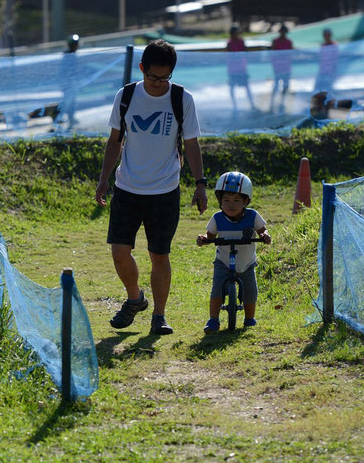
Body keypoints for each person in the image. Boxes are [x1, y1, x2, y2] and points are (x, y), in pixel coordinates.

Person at [95, 39, 208, 335]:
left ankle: (159, 315)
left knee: (159, 255)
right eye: (153, 76)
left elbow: (193, 144)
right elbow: (115, 140)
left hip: (165, 191)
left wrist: (200, 183)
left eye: (164, 78)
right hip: (127, 188)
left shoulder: (182, 99)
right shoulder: (127, 96)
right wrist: (104, 177)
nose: (158, 83)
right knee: (119, 252)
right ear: (142, 69)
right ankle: (135, 298)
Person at [196, 172, 271, 332]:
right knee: (217, 289)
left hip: (246, 262)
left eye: (237, 200)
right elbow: (210, 236)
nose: (231, 204)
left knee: (251, 291)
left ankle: (250, 318)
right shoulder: (217, 218)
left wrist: (265, 236)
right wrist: (203, 239)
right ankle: (213, 320)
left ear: (246, 201)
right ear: (220, 201)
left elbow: (262, 231)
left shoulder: (252, 216)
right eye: (226, 200)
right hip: (223, 261)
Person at [226, 26, 256, 111]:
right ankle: (234, 105)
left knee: (247, 87)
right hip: (233, 69)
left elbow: (246, 52)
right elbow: (228, 55)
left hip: (242, 69)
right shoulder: (229, 43)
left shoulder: (241, 41)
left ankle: (252, 104)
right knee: (232, 88)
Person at [269, 25, 293, 113]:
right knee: (276, 85)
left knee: (285, 86)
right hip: (278, 68)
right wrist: (274, 65)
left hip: (286, 68)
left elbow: (291, 54)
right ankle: (272, 103)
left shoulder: (288, 42)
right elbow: (272, 54)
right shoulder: (275, 41)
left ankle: (282, 101)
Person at [59, 34, 80, 128]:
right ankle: (67, 117)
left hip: (71, 82)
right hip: (68, 83)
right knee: (68, 100)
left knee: (72, 100)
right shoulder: (68, 56)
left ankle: (71, 117)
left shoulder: (72, 55)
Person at [314, 28, 339, 93]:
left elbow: (335, 58)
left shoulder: (334, 45)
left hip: (330, 71)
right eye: (325, 35)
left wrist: (334, 70)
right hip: (322, 71)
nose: (327, 36)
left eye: (328, 35)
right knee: (319, 88)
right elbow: (321, 59)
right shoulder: (322, 46)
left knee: (328, 88)